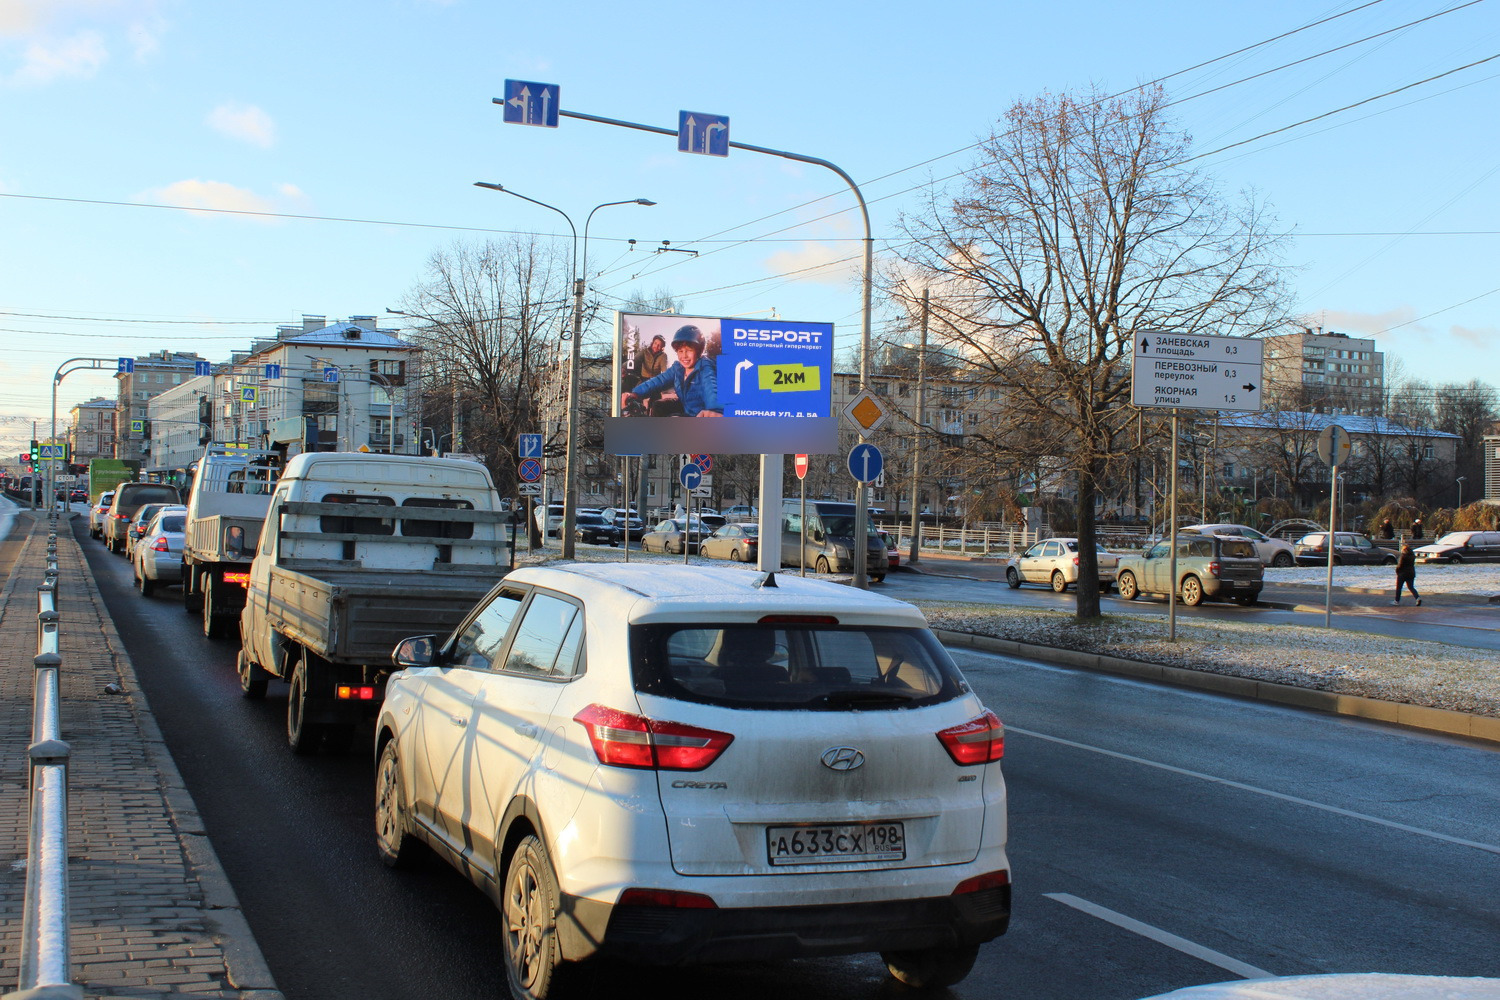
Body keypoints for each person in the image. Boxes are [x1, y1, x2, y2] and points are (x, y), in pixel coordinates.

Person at [620, 324, 723, 417]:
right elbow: (658, 381)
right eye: (680, 351)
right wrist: (635, 393)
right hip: (685, 407)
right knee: (658, 406)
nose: (684, 356)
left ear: (699, 351)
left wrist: (716, 411)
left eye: (689, 351)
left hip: (699, 415)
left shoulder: (705, 366)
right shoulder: (678, 368)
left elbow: (711, 388)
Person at [1392, 541, 1421, 606]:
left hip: (1402, 573)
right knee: (1411, 587)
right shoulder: (1412, 556)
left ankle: (1396, 601)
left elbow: (1400, 565)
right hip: (1411, 573)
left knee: (1399, 588)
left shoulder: (1403, 556)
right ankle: (1417, 597)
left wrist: (1397, 571)